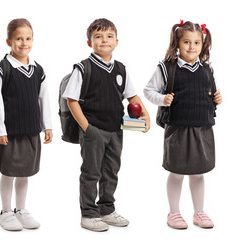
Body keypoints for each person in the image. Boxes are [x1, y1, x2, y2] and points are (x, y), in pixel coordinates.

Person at [62, 18, 150, 232]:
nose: (104, 40)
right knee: (91, 172)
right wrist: (87, 128)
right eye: (98, 36)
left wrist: (145, 115)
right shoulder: (83, 68)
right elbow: (71, 100)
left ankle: (107, 209)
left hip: (116, 130)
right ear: (89, 42)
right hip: (93, 130)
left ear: (116, 42)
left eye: (109, 36)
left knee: (111, 170)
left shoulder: (121, 69)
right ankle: (89, 213)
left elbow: (132, 96)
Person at [144, 20, 222, 229]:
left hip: (202, 127)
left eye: (196, 43)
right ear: (177, 43)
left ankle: (199, 212)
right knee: (177, 172)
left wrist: (217, 98)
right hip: (177, 128)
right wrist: (162, 100)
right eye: (186, 42)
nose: (191, 47)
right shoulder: (167, 68)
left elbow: (208, 92)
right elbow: (149, 90)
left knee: (198, 172)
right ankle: (174, 213)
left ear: (202, 44)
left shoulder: (207, 69)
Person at [0, 18, 53, 231]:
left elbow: (43, 99)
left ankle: (21, 210)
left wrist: (47, 126)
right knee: (8, 172)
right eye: (18, 39)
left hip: (30, 130)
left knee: (25, 172)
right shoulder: (2, 69)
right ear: (9, 41)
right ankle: (6, 212)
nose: (24, 43)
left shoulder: (38, 69)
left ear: (33, 40)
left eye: (28, 38)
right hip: (9, 133)